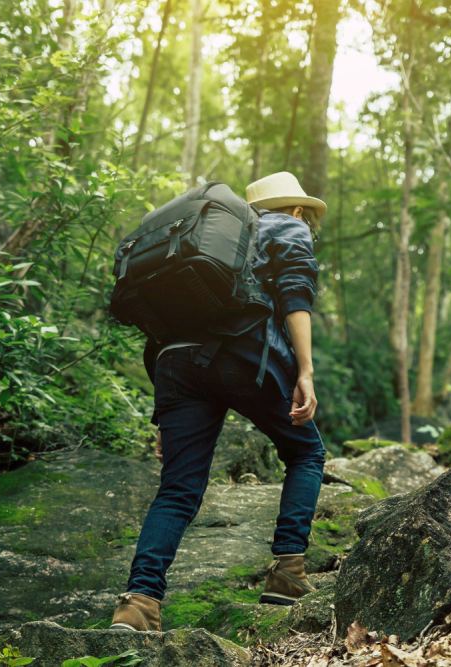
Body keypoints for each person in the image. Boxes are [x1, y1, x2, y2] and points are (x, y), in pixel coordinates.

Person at [110, 172, 327, 633]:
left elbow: (160, 331)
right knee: (306, 451)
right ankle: (288, 573)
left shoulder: (201, 236)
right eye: (304, 213)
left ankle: (138, 603)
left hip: (174, 364)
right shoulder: (283, 227)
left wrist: (162, 422)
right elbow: (295, 296)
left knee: (177, 489)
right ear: (294, 209)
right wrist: (305, 371)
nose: (306, 221)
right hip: (239, 353)